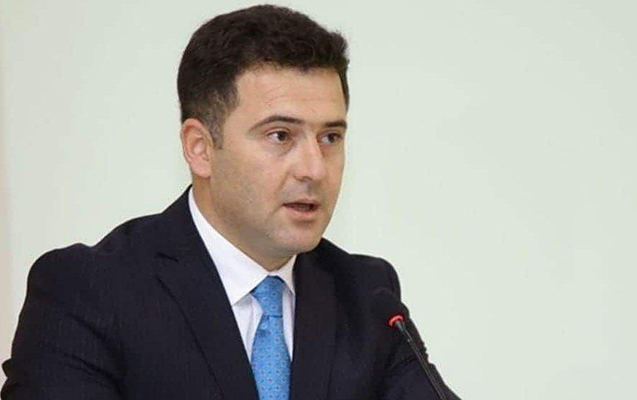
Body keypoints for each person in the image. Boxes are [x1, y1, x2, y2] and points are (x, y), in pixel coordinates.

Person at [1, 5, 460, 400]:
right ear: (200, 148)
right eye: (280, 136)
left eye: (330, 137)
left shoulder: (368, 297)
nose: (315, 169)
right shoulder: (89, 292)